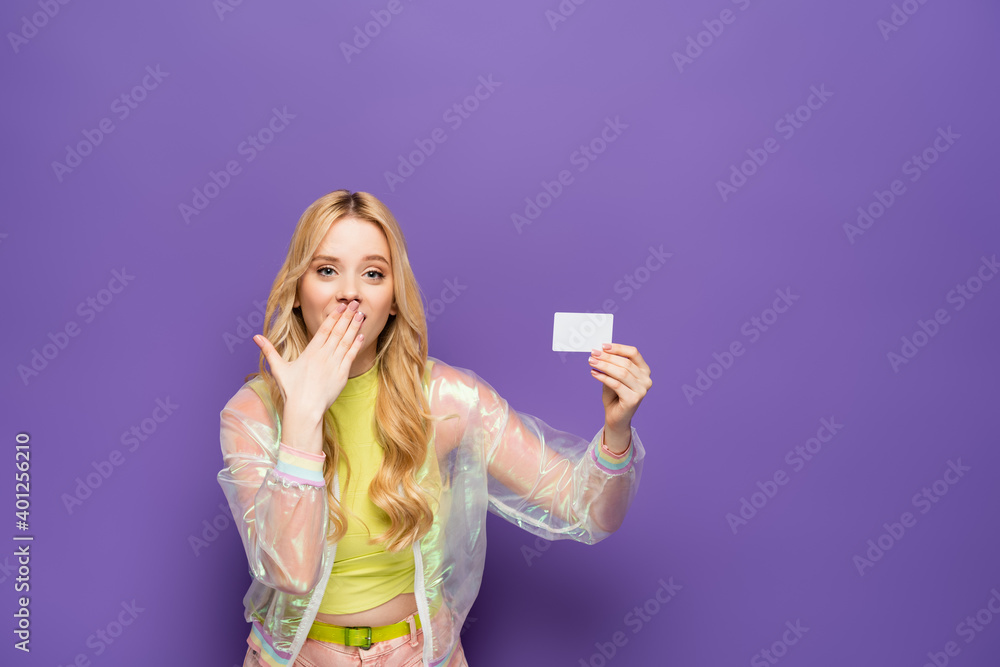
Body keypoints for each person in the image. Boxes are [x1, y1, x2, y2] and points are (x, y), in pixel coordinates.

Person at [218, 190, 651, 667]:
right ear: (298, 292)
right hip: (292, 658)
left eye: (373, 273)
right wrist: (302, 415)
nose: (349, 291)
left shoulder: (446, 399)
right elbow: (290, 572)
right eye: (326, 270)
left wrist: (617, 429)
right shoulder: (252, 414)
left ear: (395, 301)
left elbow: (586, 510)